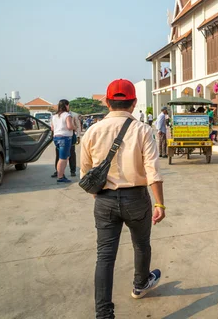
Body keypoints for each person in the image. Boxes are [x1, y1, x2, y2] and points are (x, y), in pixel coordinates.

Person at [80, 79, 165, 319]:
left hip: (104, 200)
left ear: (107, 102)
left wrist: (99, 194)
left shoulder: (93, 130)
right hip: (136, 198)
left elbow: (85, 172)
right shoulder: (142, 130)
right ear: (134, 103)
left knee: (105, 256)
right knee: (141, 244)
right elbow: (153, 171)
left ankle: (104, 314)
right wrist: (159, 203)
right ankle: (140, 284)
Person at [52, 107, 81, 178]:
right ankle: (59, 172)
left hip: (69, 136)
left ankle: (72, 170)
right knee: (59, 155)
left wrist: (78, 135)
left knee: (71, 154)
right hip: (63, 136)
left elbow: (78, 126)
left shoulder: (73, 115)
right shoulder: (56, 116)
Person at [51, 99, 75, 183]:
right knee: (63, 159)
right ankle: (60, 177)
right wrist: (75, 127)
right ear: (66, 105)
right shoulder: (67, 115)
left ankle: (60, 173)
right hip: (65, 138)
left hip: (56, 138)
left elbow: (52, 128)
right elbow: (69, 126)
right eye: (68, 105)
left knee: (65, 157)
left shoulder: (54, 116)